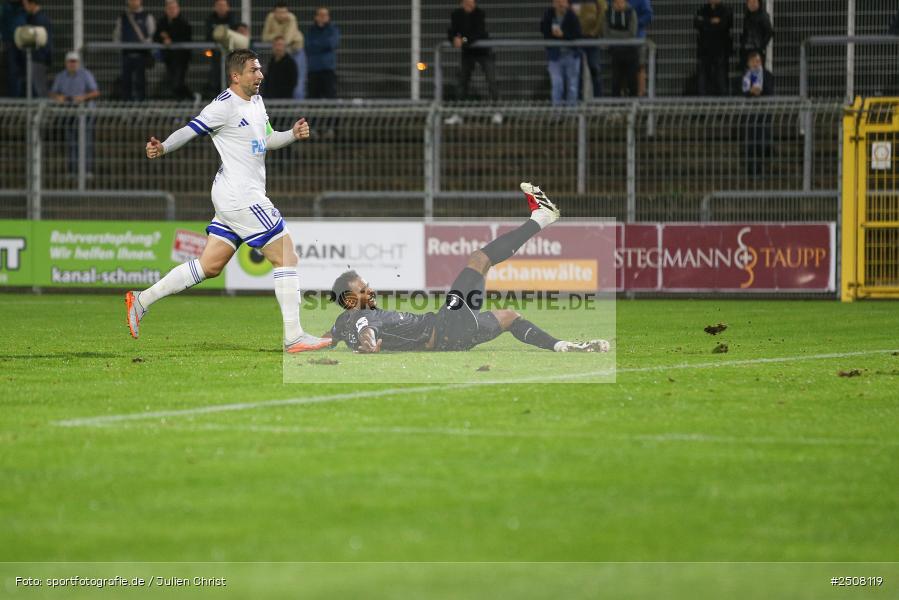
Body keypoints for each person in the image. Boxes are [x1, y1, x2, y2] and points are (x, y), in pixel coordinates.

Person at [130, 49, 330, 354]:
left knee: (209, 266)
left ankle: (141, 300)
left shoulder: (258, 102)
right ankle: (294, 337)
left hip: (232, 194)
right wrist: (164, 147)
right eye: (253, 70)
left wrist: (291, 134)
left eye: (260, 70)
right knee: (286, 256)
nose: (260, 75)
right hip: (241, 196)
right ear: (236, 75)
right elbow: (191, 129)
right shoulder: (222, 106)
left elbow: (266, 139)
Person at [328, 183, 610, 354]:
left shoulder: (343, 323)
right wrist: (367, 343)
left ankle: (561, 346)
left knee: (510, 316)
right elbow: (368, 331)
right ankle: (541, 218)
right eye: (363, 289)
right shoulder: (364, 318)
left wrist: (296, 342)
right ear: (351, 300)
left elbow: (327, 339)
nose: (371, 290)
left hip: (454, 338)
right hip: (446, 325)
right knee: (479, 260)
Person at [49, 51, 100, 177]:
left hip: (85, 113)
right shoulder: (61, 76)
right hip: (68, 113)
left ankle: (86, 170)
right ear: (66, 63)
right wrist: (59, 97)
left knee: (86, 142)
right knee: (71, 142)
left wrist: (82, 98)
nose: (72, 64)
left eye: (74, 61)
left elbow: (95, 92)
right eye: (70, 61)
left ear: (78, 63)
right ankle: (73, 170)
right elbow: (53, 93)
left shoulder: (86, 74)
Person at [447, 0, 498, 104]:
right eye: (467, 2)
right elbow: (452, 31)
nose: (470, 4)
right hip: (467, 53)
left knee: (491, 81)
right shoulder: (456, 14)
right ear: (461, 3)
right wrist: (454, 39)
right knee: (462, 81)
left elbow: (477, 34)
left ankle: (497, 111)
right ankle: (459, 113)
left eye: (472, 2)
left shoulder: (479, 13)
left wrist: (463, 40)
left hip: (484, 53)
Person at [540, 0, 582, 106]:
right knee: (557, 85)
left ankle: (571, 116)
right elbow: (543, 31)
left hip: (571, 56)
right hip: (555, 57)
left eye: (563, 2)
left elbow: (577, 35)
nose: (561, 4)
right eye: (558, 2)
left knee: (572, 87)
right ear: (554, 3)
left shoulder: (572, 16)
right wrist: (552, 33)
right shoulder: (548, 15)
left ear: (567, 3)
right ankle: (557, 115)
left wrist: (563, 35)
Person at [113, 0, 156, 101]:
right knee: (125, 82)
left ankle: (140, 105)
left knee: (140, 82)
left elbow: (153, 34)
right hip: (126, 56)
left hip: (141, 56)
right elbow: (117, 36)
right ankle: (126, 107)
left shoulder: (147, 16)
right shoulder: (122, 17)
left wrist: (145, 45)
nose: (133, 2)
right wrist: (119, 48)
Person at [262, 2, 305, 100]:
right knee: (275, 81)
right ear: (274, 13)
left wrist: (276, 37)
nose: (282, 15)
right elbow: (265, 37)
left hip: (295, 51)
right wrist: (279, 36)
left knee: (298, 85)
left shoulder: (291, 18)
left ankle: (297, 111)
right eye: (279, 12)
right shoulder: (270, 17)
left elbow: (287, 40)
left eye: (284, 12)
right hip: (280, 53)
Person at [741, 50, 774, 178]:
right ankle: (752, 172)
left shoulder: (767, 76)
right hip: (750, 115)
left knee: (762, 143)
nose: (756, 63)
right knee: (750, 144)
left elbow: (770, 92)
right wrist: (750, 92)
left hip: (763, 114)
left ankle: (761, 165)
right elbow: (742, 91)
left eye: (758, 61)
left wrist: (760, 92)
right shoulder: (746, 75)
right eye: (753, 61)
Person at [154, 0, 192, 100]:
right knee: (173, 81)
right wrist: (164, 39)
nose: (172, 10)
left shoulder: (184, 22)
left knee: (178, 81)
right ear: (166, 10)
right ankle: (184, 100)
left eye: (174, 8)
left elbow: (185, 37)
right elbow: (156, 36)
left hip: (181, 59)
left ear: (178, 9)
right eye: (170, 8)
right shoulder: (162, 22)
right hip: (168, 58)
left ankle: (188, 98)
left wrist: (169, 38)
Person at [694, 0, 733, 96]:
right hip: (704, 50)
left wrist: (706, 23)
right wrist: (713, 22)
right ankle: (703, 103)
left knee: (721, 78)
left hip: (721, 50)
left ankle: (723, 104)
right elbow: (697, 23)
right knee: (703, 78)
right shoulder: (702, 10)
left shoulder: (726, 11)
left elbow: (724, 25)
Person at [603, 0, 638, 97]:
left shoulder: (631, 12)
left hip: (630, 51)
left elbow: (632, 33)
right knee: (616, 81)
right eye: (616, 2)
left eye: (621, 2)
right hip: (615, 52)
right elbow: (606, 33)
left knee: (632, 81)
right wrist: (621, 36)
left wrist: (613, 33)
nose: (618, 5)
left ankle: (633, 104)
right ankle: (616, 106)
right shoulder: (608, 13)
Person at [205, 0, 239, 96]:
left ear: (228, 7)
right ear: (214, 7)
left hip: (231, 55)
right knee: (215, 75)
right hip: (215, 55)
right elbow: (208, 36)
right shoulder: (210, 19)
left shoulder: (233, 19)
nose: (221, 7)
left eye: (223, 5)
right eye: (218, 5)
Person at [305, 6, 340, 99]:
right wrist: (324, 44)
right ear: (316, 17)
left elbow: (332, 43)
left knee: (330, 97)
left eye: (325, 15)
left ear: (329, 17)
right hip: (313, 70)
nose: (322, 17)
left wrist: (316, 44)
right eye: (320, 15)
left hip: (327, 69)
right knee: (312, 98)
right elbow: (308, 46)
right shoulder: (311, 30)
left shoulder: (333, 29)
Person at [573, 0, 605, 99]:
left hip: (592, 40)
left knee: (595, 69)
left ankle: (598, 101)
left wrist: (595, 32)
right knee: (576, 72)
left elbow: (602, 15)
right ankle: (576, 102)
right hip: (576, 40)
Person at [0, 0, 26, 96]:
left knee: (26, 70)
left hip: (24, 43)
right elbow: (4, 25)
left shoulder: (24, 7)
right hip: (11, 44)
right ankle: (15, 97)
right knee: (13, 72)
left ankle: (26, 96)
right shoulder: (6, 7)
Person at [629, 0, 652, 96]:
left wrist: (634, 24)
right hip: (622, 39)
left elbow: (648, 15)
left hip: (638, 38)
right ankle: (624, 96)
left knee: (640, 66)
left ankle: (640, 94)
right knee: (623, 67)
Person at [740, 0, 772, 67]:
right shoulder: (747, 15)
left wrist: (761, 46)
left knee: (757, 72)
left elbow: (769, 32)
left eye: (754, 2)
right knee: (746, 72)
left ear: (759, 3)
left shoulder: (763, 15)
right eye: (749, 2)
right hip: (746, 49)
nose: (751, 4)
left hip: (757, 50)